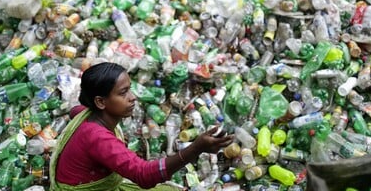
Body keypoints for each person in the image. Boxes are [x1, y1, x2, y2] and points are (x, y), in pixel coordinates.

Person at [49, 62, 235, 191]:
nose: (133, 97)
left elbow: (75, 110)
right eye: (123, 93)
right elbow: (144, 175)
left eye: (129, 89)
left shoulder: (86, 114)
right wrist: (196, 148)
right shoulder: (98, 138)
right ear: (100, 102)